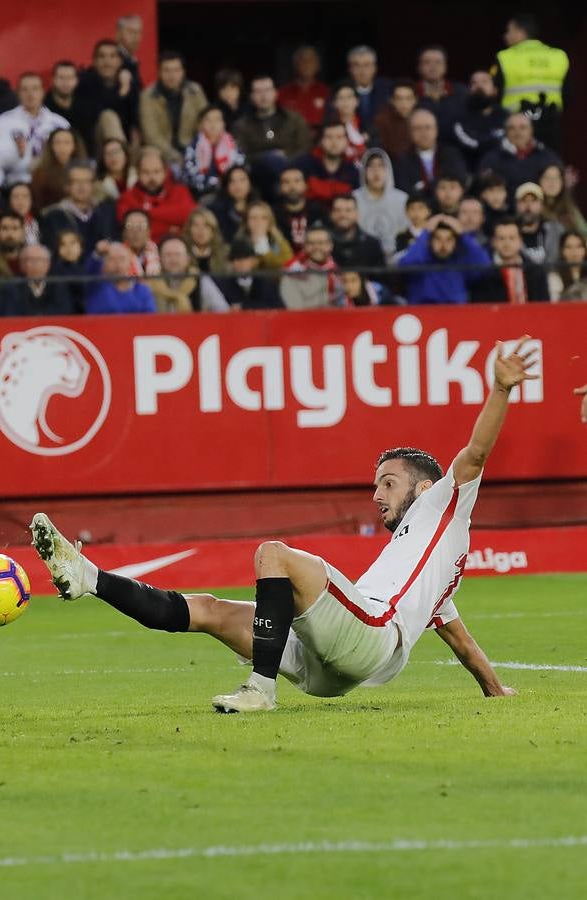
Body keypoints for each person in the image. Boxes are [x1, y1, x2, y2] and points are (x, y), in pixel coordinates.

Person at [29, 341, 535, 711]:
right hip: (332, 666)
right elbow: (459, 639)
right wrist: (494, 688)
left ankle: (260, 690)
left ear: (424, 489)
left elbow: (476, 453)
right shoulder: (427, 564)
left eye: (388, 483)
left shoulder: (442, 503)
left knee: (274, 554)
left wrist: (499, 389)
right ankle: (90, 578)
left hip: (368, 634)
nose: (376, 495)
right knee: (207, 610)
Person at [491, 13, 568, 149]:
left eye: (509, 30)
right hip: (550, 126)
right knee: (550, 166)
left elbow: (495, 94)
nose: (505, 35)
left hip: (516, 128)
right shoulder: (559, 56)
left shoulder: (505, 58)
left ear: (520, 32)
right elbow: (568, 92)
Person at [233, 76, 312, 194]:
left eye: (267, 90)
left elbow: (305, 147)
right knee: (271, 161)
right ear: (251, 97)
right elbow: (241, 156)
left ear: (276, 93)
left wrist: (285, 158)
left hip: (293, 167)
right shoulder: (241, 125)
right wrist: (269, 157)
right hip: (259, 175)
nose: (263, 96)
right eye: (258, 92)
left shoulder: (294, 119)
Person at [0, 74, 71, 189]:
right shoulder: (4, 121)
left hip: (52, 182)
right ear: (18, 93)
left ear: (42, 92)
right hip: (16, 183)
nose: (30, 94)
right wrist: (17, 153)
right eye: (25, 89)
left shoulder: (59, 123)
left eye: (35, 89)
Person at [397, 215, 491, 304]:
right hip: (425, 314)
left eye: (449, 239)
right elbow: (405, 265)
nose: (443, 245)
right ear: (429, 241)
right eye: (438, 239)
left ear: (455, 243)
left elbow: (485, 264)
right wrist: (426, 232)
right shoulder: (420, 261)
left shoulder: (461, 263)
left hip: (456, 315)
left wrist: (463, 234)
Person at [138, 51, 207, 167]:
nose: (172, 75)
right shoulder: (147, 96)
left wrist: (194, 150)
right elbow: (151, 135)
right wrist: (175, 156)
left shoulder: (195, 91)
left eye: (176, 70)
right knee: (150, 153)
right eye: (167, 70)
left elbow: (206, 122)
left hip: (192, 149)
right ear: (159, 72)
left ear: (183, 72)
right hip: (162, 151)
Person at [116, 147, 196, 244]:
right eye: (146, 172)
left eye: (156, 171)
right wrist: (170, 227)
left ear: (165, 172)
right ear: (137, 172)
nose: (152, 177)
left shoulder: (181, 192)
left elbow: (190, 216)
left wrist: (145, 214)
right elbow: (129, 228)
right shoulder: (127, 198)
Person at [40, 162, 117, 254]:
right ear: (67, 185)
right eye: (76, 181)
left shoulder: (106, 211)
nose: (82, 186)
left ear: (93, 185)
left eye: (86, 181)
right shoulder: (53, 216)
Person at [478, 113, 562, 195]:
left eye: (523, 127)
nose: (517, 132)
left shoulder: (547, 157)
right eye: (512, 128)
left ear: (531, 130)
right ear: (506, 131)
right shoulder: (492, 159)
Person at [470, 217, 550, 303]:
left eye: (512, 238)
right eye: (501, 238)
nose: (507, 244)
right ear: (493, 242)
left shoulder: (536, 271)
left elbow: (544, 305)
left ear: (520, 241)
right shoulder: (483, 274)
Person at [77, 40, 137, 149]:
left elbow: (136, 119)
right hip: (95, 144)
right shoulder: (85, 82)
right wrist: (123, 91)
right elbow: (95, 114)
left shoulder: (130, 81)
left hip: (128, 144)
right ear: (94, 61)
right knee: (108, 117)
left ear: (120, 61)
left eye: (112, 56)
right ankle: (123, 158)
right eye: (102, 56)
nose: (107, 62)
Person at [393, 109, 467, 195]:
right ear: (410, 132)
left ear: (436, 130)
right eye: (417, 128)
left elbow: (460, 183)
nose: (423, 133)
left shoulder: (451, 155)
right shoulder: (402, 160)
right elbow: (402, 190)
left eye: (427, 127)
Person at [447, 71, 508, 171]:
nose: (479, 86)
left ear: (495, 90)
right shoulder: (459, 119)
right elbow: (469, 143)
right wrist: (493, 141)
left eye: (484, 82)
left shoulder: (506, 117)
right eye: (474, 83)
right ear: (469, 90)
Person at [180, 106, 243, 199]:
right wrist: (215, 183)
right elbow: (189, 176)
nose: (213, 124)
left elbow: (240, 168)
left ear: (223, 124)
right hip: (203, 193)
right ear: (200, 124)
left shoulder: (232, 145)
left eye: (217, 120)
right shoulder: (193, 147)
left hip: (231, 190)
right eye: (208, 120)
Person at [354, 148, 409, 256]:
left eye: (381, 166)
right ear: (364, 171)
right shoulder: (353, 199)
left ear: (388, 170)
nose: (376, 171)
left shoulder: (402, 199)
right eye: (371, 166)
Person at [293, 119, 360, 205]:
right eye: (329, 137)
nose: (334, 142)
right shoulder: (303, 164)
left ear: (346, 142)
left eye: (339, 137)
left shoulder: (354, 169)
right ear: (321, 141)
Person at [0, 244, 73, 316]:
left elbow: (64, 312)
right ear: (21, 265)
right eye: (27, 260)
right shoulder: (11, 288)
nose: (32, 264)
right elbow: (10, 314)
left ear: (48, 263)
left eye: (37, 260)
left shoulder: (59, 285)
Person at [210, 239, 284, 310]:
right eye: (235, 259)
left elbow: (279, 308)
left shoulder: (265, 282)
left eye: (244, 258)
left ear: (254, 261)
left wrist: (243, 306)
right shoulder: (225, 285)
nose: (239, 263)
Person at [280, 225, 342, 309]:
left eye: (321, 243)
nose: (316, 247)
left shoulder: (340, 270)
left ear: (330, 245)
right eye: (311, 243)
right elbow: (295, 310)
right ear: (304, 246)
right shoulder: (293, 274)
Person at [85, 242, 155, 314]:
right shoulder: (96, 286)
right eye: (112, 259)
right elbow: (91, 270)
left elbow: (150, 318)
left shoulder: (141, 290)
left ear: (129, 262)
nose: (117, 263)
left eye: (122, 258)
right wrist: (98, 254)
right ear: (103, 264)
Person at [44, 61, 98, 150]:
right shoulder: (44, 105)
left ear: (76, 81)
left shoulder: (85, 104)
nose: (65, 82)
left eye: (69, 78)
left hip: (82, 156)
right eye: (61, 78)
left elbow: (89, 138)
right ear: (53, 80)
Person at [278, 46, 330, 130]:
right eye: (302, 61)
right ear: (295, 66)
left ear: (318, 65)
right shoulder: (283, 92)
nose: (307, 65)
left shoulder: (326, 91)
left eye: (311, 61)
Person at [328, 194, 385, 269]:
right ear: (331, 214)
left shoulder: (372, 244)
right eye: (338, 210)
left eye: (348, 210)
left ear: (357, 214)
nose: (343, 215)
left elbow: (381, 278)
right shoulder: (323, 243)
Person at [514, 182, 563, 266]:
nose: (528, 206)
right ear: (517, 205)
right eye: (523, 200)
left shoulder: (555, 231)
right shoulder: (509, 233)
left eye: (533, 201)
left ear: (541, 205)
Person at [346, 45, 392, 131]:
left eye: (366, 65)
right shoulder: (342, 91)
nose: (362, 70)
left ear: (375, 68)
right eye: (357, 65)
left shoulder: (387, 89)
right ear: (350, 69)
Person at [415, 45, 466, 120]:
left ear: (445, 67)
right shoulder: (411, 92)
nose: (433, 66)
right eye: (427, 62)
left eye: (438, 62)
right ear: (419, 67)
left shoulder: (461, 92)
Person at [148, 236, 198, 313]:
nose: (173, 259)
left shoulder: (199, 279)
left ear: (188, 259)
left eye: (178, 254)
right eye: (168, 255)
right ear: (160, 259)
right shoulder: (150, 284)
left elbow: (220, 308)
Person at [208, 164, 256, 243]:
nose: (237, 185)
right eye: (232, 181)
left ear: (250, 183)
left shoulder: (260, 208)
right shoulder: (215, 211)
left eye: (242, 180)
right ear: (226, 185)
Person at [372, 81, 418, 161]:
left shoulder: (422, 119)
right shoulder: (382, 121)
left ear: (415, 100)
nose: (404, 103)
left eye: (408, 98)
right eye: (399, 99)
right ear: (392, 100)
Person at [241, 201, 293, 270]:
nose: (258, 222)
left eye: (264, 218)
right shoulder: (239, 243)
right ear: (246, 222)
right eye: (253, 217)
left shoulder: (279, 242)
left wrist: (263, 242)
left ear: (270, 222)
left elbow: (288, 264)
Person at [539, 164, 587, 234]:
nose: (552, 182)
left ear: (562, 181)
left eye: (556, 178)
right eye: (547, 177)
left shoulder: (569, 207)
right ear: (540, 180)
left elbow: (584, 232)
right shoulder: (534, 207)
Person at [185, 207, 228, 274]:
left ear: (213, 230)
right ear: (189, 229)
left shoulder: (225, 253)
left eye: (206, 225)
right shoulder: (183, 253)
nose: (201, 230)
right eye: (196, 225)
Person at [549, 231, 587, 301]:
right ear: (562, 251)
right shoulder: (554, 277)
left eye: (579, 246)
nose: (574, 252)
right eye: (569, 247)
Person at [95, 137, 136, 201]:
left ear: (125, 155)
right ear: (103, 159)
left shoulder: (138, 177)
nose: (113, 157)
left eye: (116, 152)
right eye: (108, 153)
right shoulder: (98, 185)